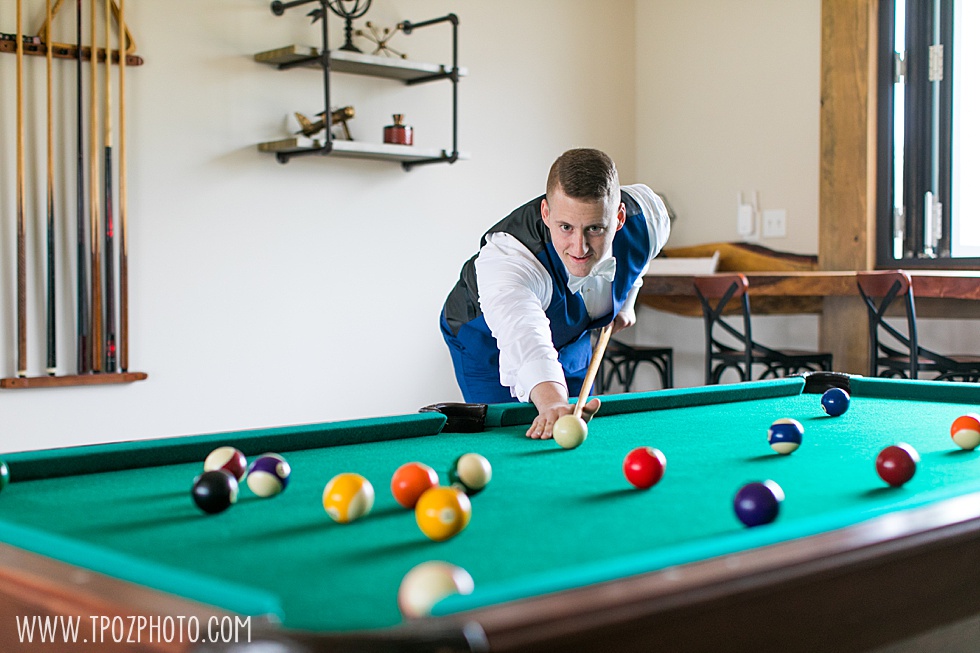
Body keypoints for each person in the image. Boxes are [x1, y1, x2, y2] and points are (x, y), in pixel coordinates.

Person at [440, 148, 671, 439]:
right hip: (484, 341)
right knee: (511, 434)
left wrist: (627, 302)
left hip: (571, 334)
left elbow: (643, 256)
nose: (579, 247)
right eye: (565, 227)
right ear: (546, 214)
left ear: (619, 218)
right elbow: (525, 337)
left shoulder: (649, 218)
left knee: (575, 422)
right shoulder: (509, 259)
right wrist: (551, 401)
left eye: (595, 228)